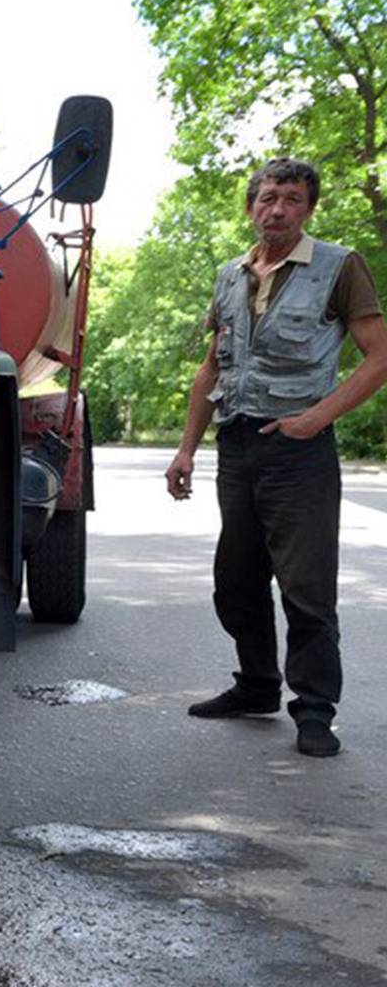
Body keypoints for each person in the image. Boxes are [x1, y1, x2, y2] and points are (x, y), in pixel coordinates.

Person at [165, 158, 387, 758]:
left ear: (308, 208)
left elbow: (379, 356)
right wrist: (187, 447)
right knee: (235, 582)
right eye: (267, 198)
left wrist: (317, 418)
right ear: (250, 207)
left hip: (299, 451)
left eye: (291, 199)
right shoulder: (229, 275)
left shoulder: (339, 267)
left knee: (306, 588)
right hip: (238, 447)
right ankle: (257, 684)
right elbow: (213, 367)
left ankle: (315, 710)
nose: (277, 208)